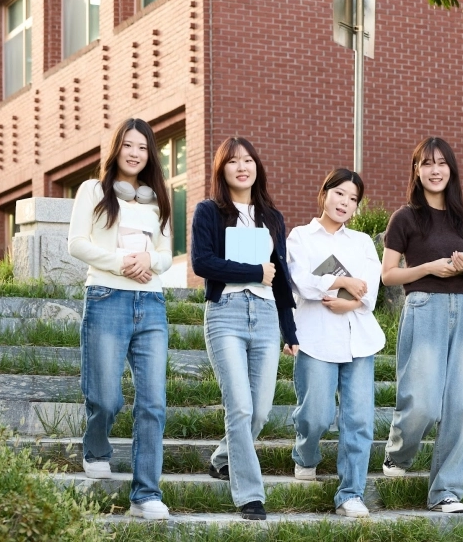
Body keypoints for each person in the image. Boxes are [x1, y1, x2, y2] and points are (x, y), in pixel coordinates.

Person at [67, 118, 173, 521]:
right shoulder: (92, 191)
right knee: (106, 397)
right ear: (116, 149)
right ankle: (95, 446)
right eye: (128, 145)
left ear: (150, 155)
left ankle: (145, 494)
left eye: (142, 148)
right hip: (106, 297)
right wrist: (122, 264)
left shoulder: (157, 199)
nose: (134, 153)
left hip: (151, 303)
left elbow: (165, 253)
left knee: (154, 403)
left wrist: (150, 261)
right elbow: (76, 243)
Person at [191, 137, 300, 521]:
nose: (242, 167)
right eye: (233, 161)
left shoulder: (272, 216)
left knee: (260, 411)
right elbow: (202, 263)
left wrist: (291, 331)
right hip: (226, 313)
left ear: (257, 167)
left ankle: (222, 457)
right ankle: (250, 496)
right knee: (239, 406)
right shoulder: (208, 211)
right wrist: (254, 272)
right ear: (221, 170)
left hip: (267, 316)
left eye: (248, 160)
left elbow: (281, 277)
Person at [380, 137, 463, 513]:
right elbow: (388, 275)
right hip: (423, 308)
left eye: (441, 163)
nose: (435, 170)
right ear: (416, 171)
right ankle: (397, 452)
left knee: (461, 406)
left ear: (451, 169)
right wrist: (430, 267)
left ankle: (446, 492)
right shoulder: (405, 218)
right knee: (422, 403)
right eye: (427, 164)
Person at [286, 168, 385, 519]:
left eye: (353, 198)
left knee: (359, 419)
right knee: (316, 415)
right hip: (315, 336)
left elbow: (371, 284)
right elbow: (300, 281)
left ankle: (350, 493)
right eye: (340, 193)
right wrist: (340, 281)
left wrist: (353, 301)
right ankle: (305, 454)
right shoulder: (300, 237)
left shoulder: (360, 242)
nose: (345, 202)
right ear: (324, 193)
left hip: (358, 336)